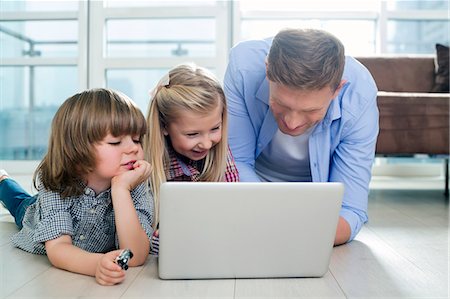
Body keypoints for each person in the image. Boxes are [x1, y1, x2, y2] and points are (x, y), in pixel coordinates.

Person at [223, 28, 379, 245]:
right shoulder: (243, 66)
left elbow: (351, 208)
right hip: (249, 192)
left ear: (337, 90)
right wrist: (263, 218)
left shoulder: (359, 94)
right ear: (268, 70)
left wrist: (295, 235)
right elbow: (236, 162)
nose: (292, 123)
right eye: (282, 104)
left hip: (314, 211)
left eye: (310, 111)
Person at [0, 88, 154, 285]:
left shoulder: (135, 181)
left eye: (136, 139)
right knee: (19, 203)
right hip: (35, 217)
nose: (134, 148)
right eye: (115, 142)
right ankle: (3, 180)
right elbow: (58, 249)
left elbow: (137, 255)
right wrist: (96, 263)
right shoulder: (57, 182)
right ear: (78, 149)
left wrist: (120, 189)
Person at [144, 63, 239, 254]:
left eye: (215, 129)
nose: (206, 143)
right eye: (192, 134)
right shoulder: (144, 167)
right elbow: (143, 242)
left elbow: (233, 217)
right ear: (164, 127)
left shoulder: (221, 155)